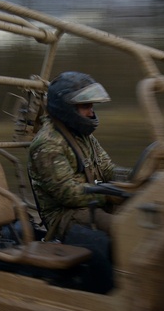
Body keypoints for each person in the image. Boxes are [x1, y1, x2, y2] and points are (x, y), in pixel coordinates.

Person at [28, 71, 119, 242]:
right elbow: (67, 194)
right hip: (63, 216)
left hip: (91, 203)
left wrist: (137, 180)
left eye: (92, 106)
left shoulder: (83, 135)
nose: (91, 113)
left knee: (140, 214)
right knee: (123, 228)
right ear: (66, 108)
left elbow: (107, 169)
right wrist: (107, 195)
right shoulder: (48, 144)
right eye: (86, 106)